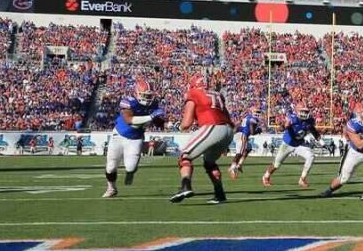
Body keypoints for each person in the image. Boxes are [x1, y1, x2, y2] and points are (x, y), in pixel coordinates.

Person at [170, 74, 234, 204]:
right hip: (228, 130)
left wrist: (179, 126)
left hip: (213, 127)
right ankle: (219, 193)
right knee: (209, 162)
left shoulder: (193, 93)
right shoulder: (217, 94)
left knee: (185, 156)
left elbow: (186, 123)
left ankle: (185, 186)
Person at [103, 80, 165, 198]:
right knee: (111, 166)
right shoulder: (128, 102)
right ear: (137, 93)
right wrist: (151, 116)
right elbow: (129, 120)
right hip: (119, 136)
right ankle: (111, 188)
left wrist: (160, 121)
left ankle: (130, 172)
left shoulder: (153, 104)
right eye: (145, 95)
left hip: (136, 138)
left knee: (130, 167)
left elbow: (157, 122)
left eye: (149, 95)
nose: (148, 98)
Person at [320, 102, 363, 198]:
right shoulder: (352, 124)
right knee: (343, 179)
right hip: (356, 152)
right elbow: (359, 145)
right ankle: (329, 190)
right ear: (357, 116)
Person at [263, 104, 319, 187]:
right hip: (287, 144)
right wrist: (284, 126)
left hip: (299, 144)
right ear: (297, 111)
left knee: (311, 156)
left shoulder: (309, 121)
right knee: (276, 164)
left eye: (306, 111)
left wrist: (322, 143)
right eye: (302, 111)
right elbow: (282, 128)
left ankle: (302, 179)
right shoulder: (292, 118)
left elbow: (314, 132)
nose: (304, 113)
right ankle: (266, 176)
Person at [229, 110, 262, 179]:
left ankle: (239, 165)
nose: (259, 114)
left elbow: (240, 124)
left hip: (241, 134)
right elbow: (252, 132)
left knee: (248, 148)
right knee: (240, 153)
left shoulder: (248, 116)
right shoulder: (253, 120)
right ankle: (232, 168)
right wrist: (258, 131)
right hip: (242, 136)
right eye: (258, 113)